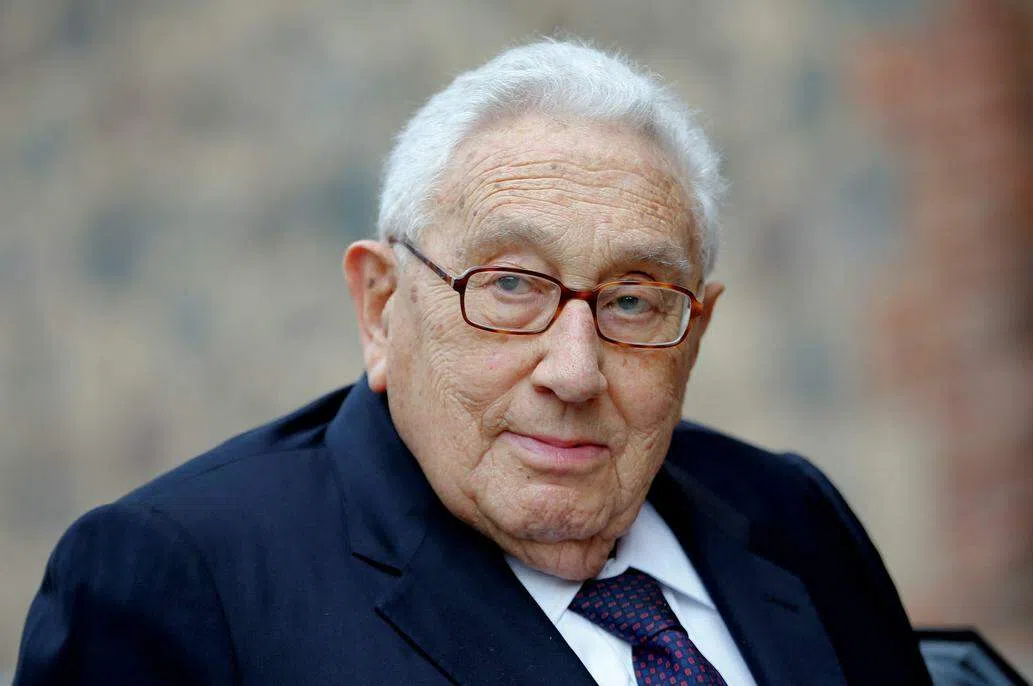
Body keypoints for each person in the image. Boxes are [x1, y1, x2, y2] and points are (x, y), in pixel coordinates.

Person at [14, 40, 932, 685]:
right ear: (381, 307)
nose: (574, 372)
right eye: (510, 287)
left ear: (695, 328)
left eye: (632, 300)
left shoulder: (792, 516)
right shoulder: (181, 581)